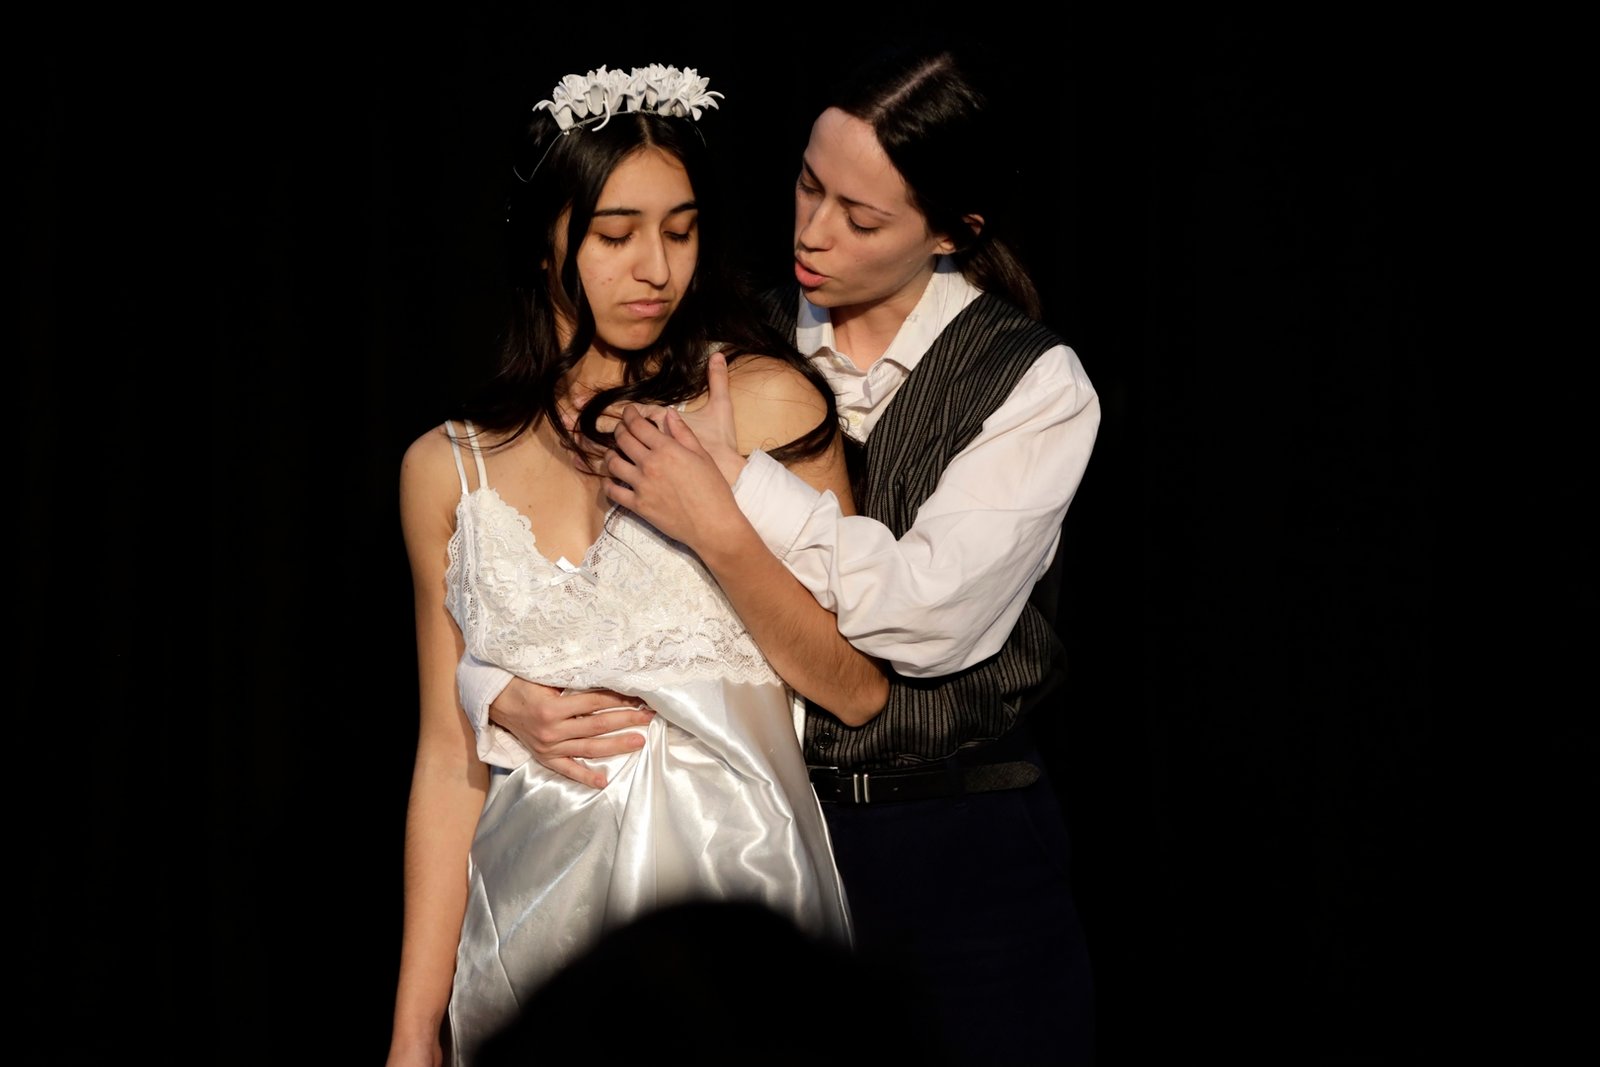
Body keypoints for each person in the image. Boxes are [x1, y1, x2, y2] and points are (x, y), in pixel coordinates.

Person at [465, 41, 1101, 1064]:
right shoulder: (720, 334)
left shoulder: (1033, 384)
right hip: (757, 837)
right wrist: (490, 683)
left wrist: (734, 489)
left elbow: (920, 620)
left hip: (952, 842)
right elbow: (584, 568)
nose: (812, 231)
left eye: (861, 217)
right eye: (808, 186)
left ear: (952, 233)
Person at [385, 63, 888, 1067]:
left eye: (681, 230)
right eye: (616, 235)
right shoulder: (446, 467)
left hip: (733, 924)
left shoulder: (764, 404)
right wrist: (411, 1026)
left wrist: (718, 524)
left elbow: (855, 685)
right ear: (546, 240)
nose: (655, 267)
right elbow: (447, 758)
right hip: (528, 931)